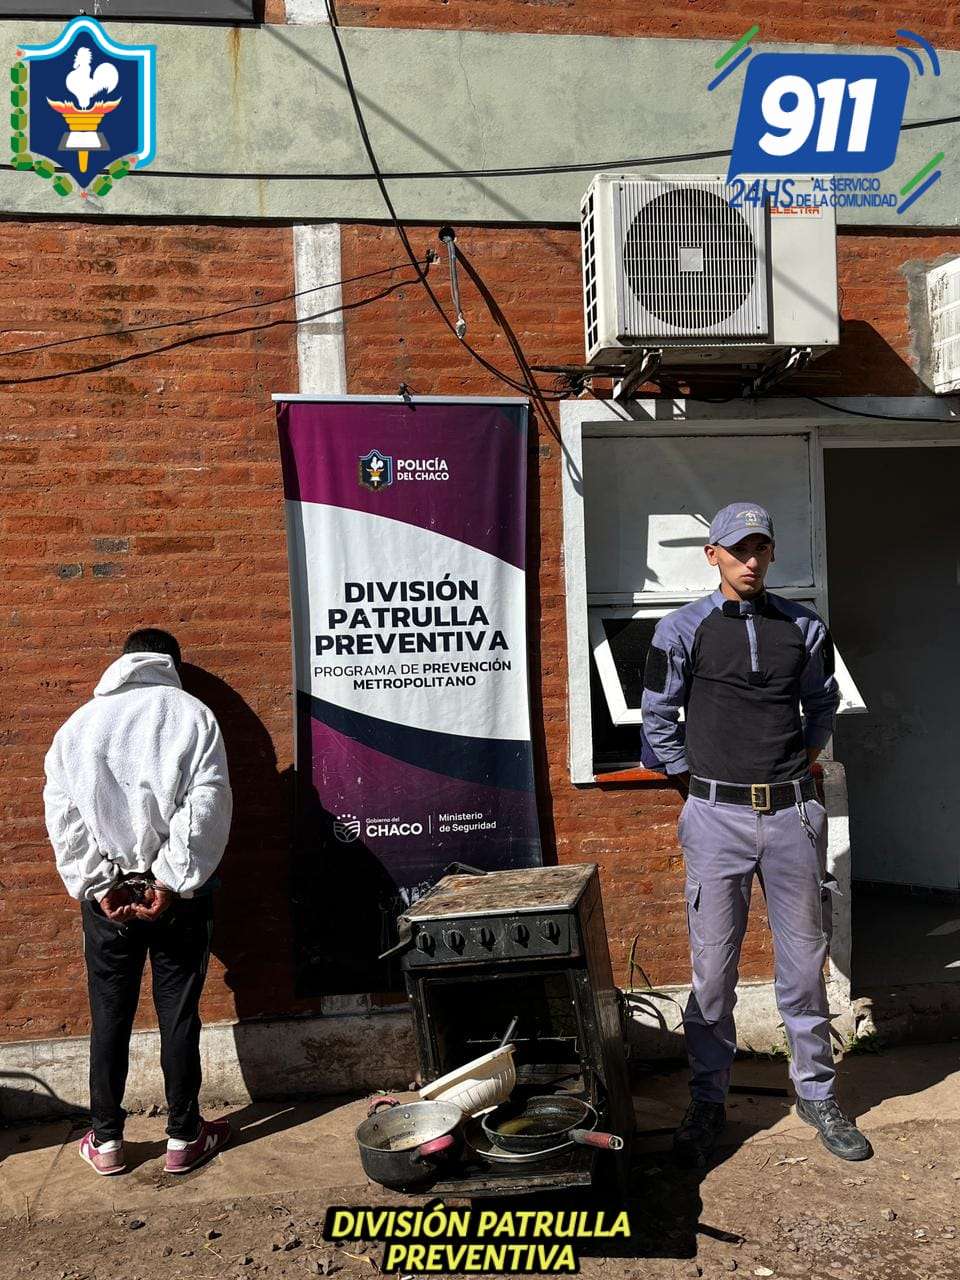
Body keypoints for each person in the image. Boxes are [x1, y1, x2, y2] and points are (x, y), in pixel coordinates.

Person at [641, 503, 870, 1166]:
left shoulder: (803, 626)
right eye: (737, 548)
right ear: (711, 554)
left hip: (795, 815)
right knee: (713, 971)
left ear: (771, 554)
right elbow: (658, 720)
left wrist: (806, 754)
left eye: (760, 548)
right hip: (717, 819)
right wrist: (698, 787)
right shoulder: (680, 630)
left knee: (803, 966)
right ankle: (708, 1101)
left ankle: (817, 1094)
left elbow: (821, 700)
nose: (749, 560)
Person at [43, 629, 233, 1177]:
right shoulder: (193, 717)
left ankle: (105, 1142)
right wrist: (168, 881)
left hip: (107, 899)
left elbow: (65, 818)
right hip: (178, 896)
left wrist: (102, 885)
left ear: (121, 662)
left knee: (110, 1015)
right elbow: (206, 808)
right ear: (172, 664)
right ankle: (184, 1136)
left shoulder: (78, 726)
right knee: (178, 1013)